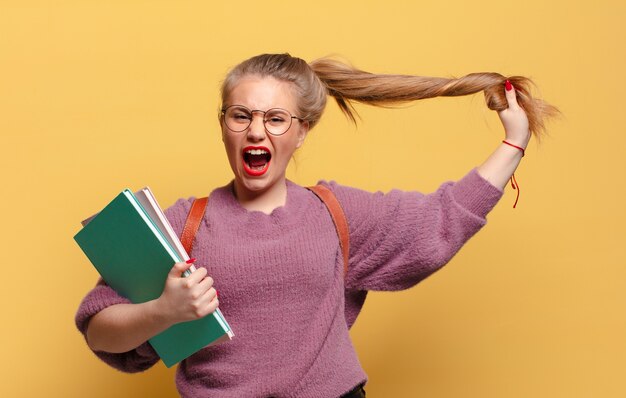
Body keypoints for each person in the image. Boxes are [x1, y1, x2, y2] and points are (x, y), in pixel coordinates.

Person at [75, 53, 557, 397]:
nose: (256, 131)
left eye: (276, 119)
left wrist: (514, 142)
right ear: (223, 124)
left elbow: (441, 217)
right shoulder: (181, 224)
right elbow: (100, 329)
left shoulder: (335, 213)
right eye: (240, 116)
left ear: (303, 130)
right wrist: (163, 310)